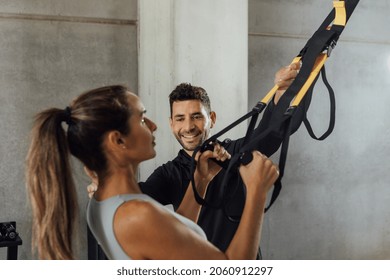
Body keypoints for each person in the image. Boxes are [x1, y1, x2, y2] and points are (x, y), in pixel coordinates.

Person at [25, 85, 279, 260]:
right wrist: (257, 191)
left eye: (195, 117)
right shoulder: (138, 214)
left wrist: (200, 181)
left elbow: (175, 234)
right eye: (143, 118)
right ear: (118, 141)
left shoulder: (108, 202)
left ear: (210, 118)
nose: (154, 125)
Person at [86, 63, 301, 258]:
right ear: (172, 124)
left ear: (212, 119)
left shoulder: (233, 153)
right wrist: (106, 188)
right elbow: (139, 198)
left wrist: (281, 94)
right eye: (180, 118)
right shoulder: (167, 175)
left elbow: (271, 134)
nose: (188, 127)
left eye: (196, 116)